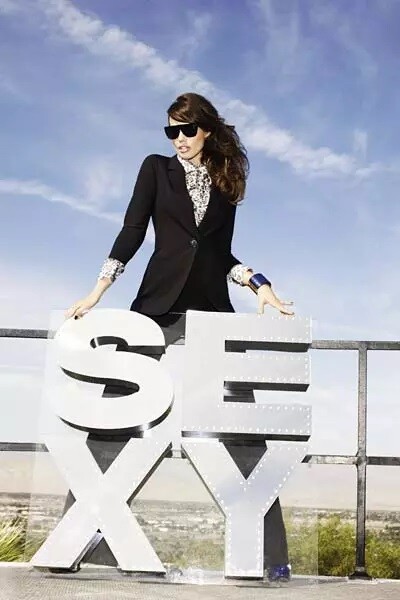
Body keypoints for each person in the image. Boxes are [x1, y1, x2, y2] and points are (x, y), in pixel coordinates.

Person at [65, 92, 295, 581]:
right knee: (110, 423)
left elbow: (222, 255)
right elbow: (132, 231)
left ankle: (269, 557)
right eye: (172, 131)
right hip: (156, 307)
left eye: (187, 130)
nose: (179, 139)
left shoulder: (226, 182)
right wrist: (98, 291)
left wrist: (261, 285)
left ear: (206, 130)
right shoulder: (156, 169)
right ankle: (81, 544)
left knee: (244, 430)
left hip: (212, 312)